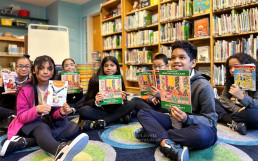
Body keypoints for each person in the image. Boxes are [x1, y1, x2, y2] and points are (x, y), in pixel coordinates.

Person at [136, 41, 217, 161]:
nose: (176, 61)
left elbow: (211, 120)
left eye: (182, 57)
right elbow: (168, 107)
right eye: (173, 57)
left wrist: (187, 119)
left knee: (201, 135)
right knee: (143, 113)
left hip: (195, 126)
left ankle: (153, 135)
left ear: (193, 63)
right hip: (174, 123)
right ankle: (165, 142)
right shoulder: (169, 79)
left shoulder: (203, 86)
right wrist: (162, 97)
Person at [1, 55, 88, 161]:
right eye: (41, 68)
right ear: (33, 70)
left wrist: (61, 112)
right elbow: (21, 117)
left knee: (73, 127)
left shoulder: (57, 87)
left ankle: (26, 142)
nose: (46, 72)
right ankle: (59, 151)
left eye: (49, 68)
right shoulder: (25, 88)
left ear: (53, 72)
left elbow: (56, 114)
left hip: (49, 121)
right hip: (29, 123)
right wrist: (36, 110)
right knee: (42, 128)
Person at [79, 56, 135, 131]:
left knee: (131, 104)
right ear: (102, 67)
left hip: (114, 109)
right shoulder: (94, 79)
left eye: (112, 65)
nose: (109, 68)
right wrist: (96, 101)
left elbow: (124, 102)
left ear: (117, 67)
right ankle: (117, 118)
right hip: (99, 110)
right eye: (106, 65)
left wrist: (123, 99)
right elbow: (87, 102)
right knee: (83, 110)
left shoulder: (119, 79)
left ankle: (103, 121)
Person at [216, 52, 258, 135]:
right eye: (229, 67)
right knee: (212, 102)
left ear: (246, 65)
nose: (232, 70)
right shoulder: (231, 80)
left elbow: (257, 104)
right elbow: (224, 99)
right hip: (239, 109)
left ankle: (224, 118)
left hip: (251, 111)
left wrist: (242, 98)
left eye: (235, 66)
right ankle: (233, 121)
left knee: (253, 115)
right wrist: (237, 109)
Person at [0, 55, 32, 129]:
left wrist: (19, 94)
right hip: (5, 110)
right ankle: (13, 119)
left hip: (22, 111)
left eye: (27, 66)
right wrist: (2, 79)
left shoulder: (32, 83)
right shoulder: (8, 79)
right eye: (20, 66)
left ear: (30, 69)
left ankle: (13, 119)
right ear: (15, 68)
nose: (23, 69)